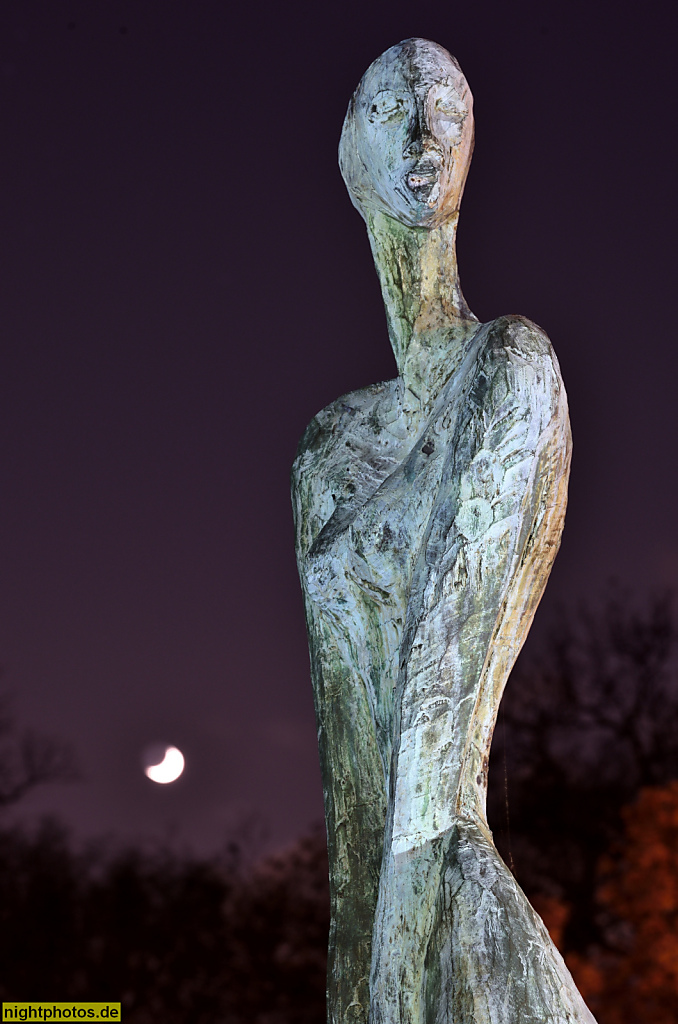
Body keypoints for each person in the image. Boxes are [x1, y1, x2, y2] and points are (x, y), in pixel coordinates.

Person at [292, 38, 595, 1024]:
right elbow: (351, 780)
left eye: (448, 112)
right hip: (382, 906)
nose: (425, 136)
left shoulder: (513, 365)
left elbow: (439, 702)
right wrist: (354, 989)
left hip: (445, 907)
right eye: (395, 111)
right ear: (351, 158)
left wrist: (396, 965)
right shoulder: (329, 448)